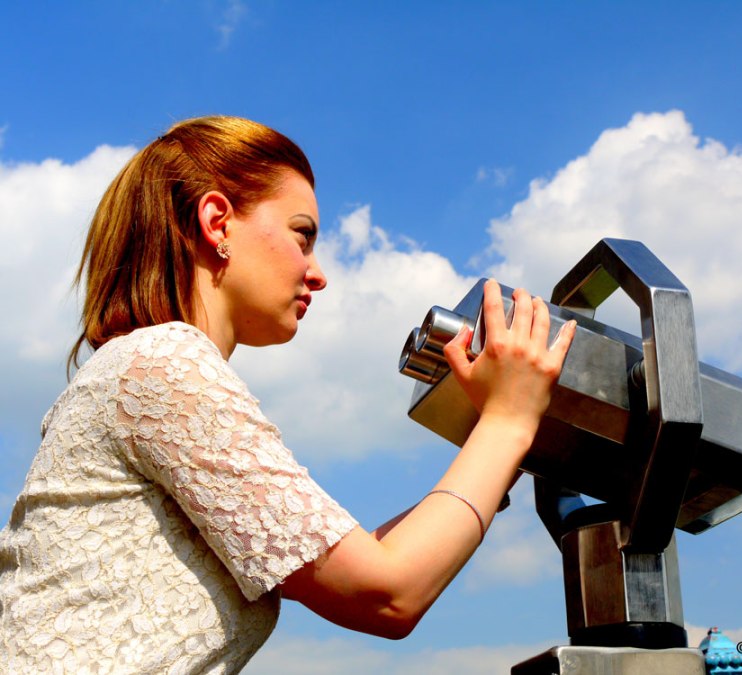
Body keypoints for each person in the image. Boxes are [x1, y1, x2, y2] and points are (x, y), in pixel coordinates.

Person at [0, 115, 575, 673]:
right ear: (217, 221)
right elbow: (386, 592)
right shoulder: (162, 364)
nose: (318, 272)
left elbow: (357, 562)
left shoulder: (138, 369)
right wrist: (506, 423)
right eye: (303, 236)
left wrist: (496, 455)